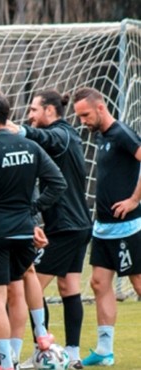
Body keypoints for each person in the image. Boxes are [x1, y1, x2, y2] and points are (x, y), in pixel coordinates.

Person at [0, 94, 66, 370]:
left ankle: (6, 364)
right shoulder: (30, 146)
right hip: (23, 232)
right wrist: (31, 208)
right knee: (19, 286)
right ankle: (38, 335)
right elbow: (58, 183)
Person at [8, 89, 91, 369]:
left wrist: (17, 130)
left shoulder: (63, 134)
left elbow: (46, 138)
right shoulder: (63, 135)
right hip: (75, 225)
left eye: (33, 110)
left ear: (50, 111)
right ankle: (73, 354)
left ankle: (40, 348)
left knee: (27, 284)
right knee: (69, 287)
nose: (30, 115)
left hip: (65, 229)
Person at [72, 87, 141, 367]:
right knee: (99, 282)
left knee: (138, 283)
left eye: (85, 114)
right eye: (78, 116)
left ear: (100, 107)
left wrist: (135, 199)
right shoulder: (101, 137)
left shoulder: (122, 133)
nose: (82, 121)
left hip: (127, 227)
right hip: (103, 227)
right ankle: (104, 350)